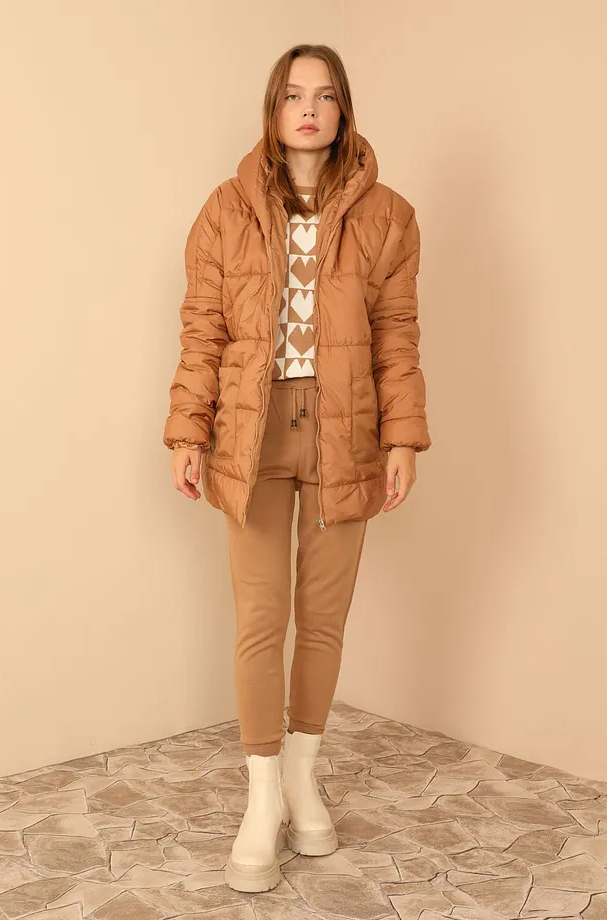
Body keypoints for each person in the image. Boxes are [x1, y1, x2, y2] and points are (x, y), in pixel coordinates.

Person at [162, 44, 431, 893]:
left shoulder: (389, 216)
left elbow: (396, 336)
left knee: (321, 619)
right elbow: (203, 328)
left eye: (323, 95)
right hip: (251, 432)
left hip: (346, 432)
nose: (307, 109)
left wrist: (401, 439)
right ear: (272, 110)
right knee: (258, 618)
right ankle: (261, 797)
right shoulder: (224, 210)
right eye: (291, 95)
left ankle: (303, 778)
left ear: (343, 109)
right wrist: (187, 431)